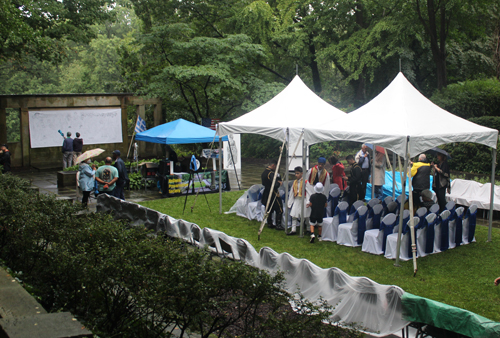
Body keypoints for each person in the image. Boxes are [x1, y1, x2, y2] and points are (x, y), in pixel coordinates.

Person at [287, 166, 312, 235]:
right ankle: (293, 230)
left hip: (303, 199)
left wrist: (308, 201)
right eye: (295, 173)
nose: (296, 175)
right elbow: (292, 193)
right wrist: (290, 203)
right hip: (297, 199)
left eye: (297, 173)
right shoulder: (294, 182)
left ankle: (308, 229)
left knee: (306, 215)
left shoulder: (306, 182)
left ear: (302, 173)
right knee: (294, 215)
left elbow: (309, 192)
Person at [261, 159, 284, 230]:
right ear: (273, 165)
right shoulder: (270, 173)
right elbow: (274, 184)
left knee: (269, 208)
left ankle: (270, 223)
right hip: (272, 192)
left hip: (266, 192)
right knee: (279, 208)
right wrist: (279, 183)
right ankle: (278, 225)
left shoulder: (264, 172)